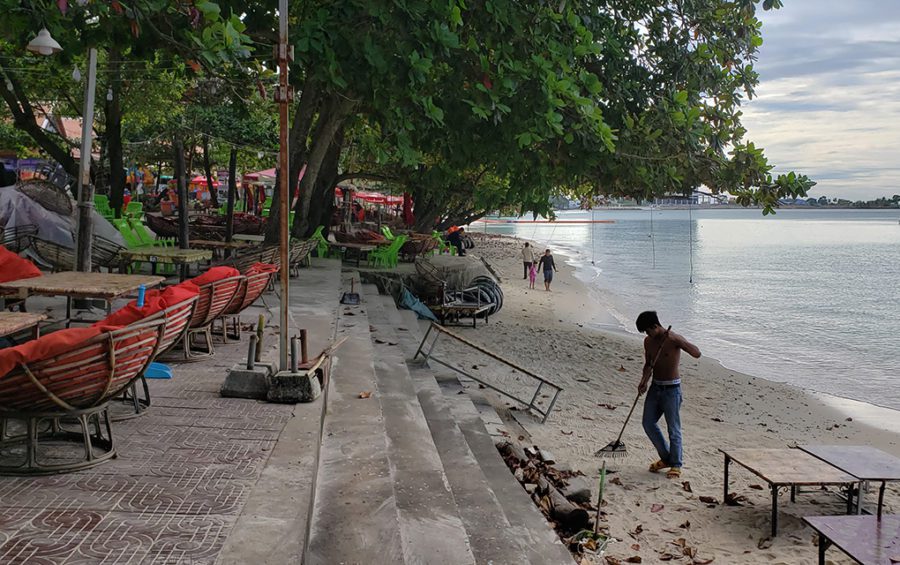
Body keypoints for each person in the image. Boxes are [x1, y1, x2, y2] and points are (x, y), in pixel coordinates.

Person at [635, 311, 701, 479]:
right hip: (655, 388)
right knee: (648, 423)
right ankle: (666, 458)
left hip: (672, 390)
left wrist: (679, 341)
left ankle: (676, 464)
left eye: (648, 331)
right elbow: (648, 364)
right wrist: (644, 381)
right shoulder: (648, 342)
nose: (647, 334)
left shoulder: (673, 339)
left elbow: (696, 353)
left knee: (673, 428)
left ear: (655, 326)